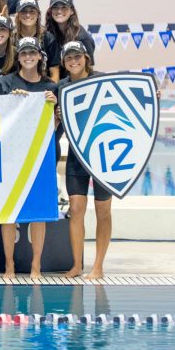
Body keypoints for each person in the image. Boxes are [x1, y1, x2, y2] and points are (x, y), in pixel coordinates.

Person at [0, 37, 58, 279]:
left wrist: (54, 107)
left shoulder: (51, 88)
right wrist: (13, 103)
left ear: (40, 56)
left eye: (32, 53)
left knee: (38, 214)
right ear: (18, 57)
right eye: (23, 53)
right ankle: (9, 264)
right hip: (10, 157)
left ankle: (36, 265)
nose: (28, 57)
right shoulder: (5, 83)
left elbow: (56, 127)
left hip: (40, 157)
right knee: (9, 214)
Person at [56, 41, 111, 280]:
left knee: (103, 210)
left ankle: (98, 266)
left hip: (102, 155)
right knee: (76, 210)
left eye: (77, 57)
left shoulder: (102, 80)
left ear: (86, 58)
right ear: (64, 63)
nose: (73, 61)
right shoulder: (61, 87)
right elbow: (53, 123)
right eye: (69, 58)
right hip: (78, 157)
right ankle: (77, 265)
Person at [45, 0, 96, 74]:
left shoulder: (82, 38)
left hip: (74, 84)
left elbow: (89, 70)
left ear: (72, 11)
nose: (59, 11)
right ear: (50, 11)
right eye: (55, 7)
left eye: (64, 7)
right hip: (57, 83)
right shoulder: (49, 34)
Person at [12, 0, 61, 81]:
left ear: (38, 14)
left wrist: (51, 90)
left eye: (32, 11)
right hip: (16, 88)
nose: (28, 15)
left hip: (42, 88)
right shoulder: (11, 38)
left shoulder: (48, 38)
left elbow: (55, 72)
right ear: (18, 15)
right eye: (24, 11)